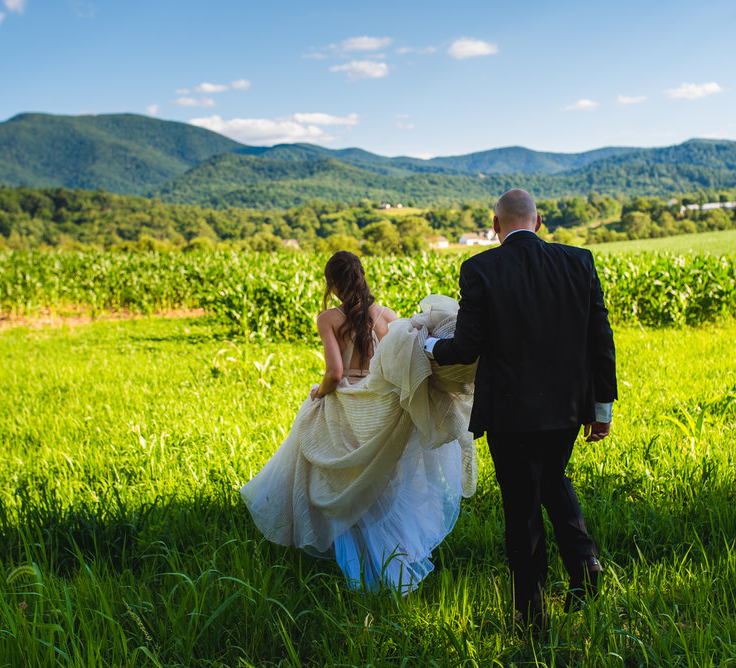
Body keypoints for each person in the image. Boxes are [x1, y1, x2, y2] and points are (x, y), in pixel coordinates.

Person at [425, 189, 617, 630]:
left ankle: (531, 613)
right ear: (540, 221)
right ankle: (585, 568)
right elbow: (600, 340)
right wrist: (600, 407)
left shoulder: (480, 269)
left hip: (511, 412)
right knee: (552, 477)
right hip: (569, 409)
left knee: (521, 505)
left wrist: (429, 345)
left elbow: (467, 346)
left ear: (495, 226)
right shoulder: (578, 261)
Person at [241, 251, 478, 593]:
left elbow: (335, 374)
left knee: (340, 482)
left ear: (333, 284)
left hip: (346, 405)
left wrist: (317, 394)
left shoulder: (329, 318)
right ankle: (392, 559)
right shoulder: (387, 317)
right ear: (362, 276)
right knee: (385, 483)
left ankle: (354, 567)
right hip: (382, 404)